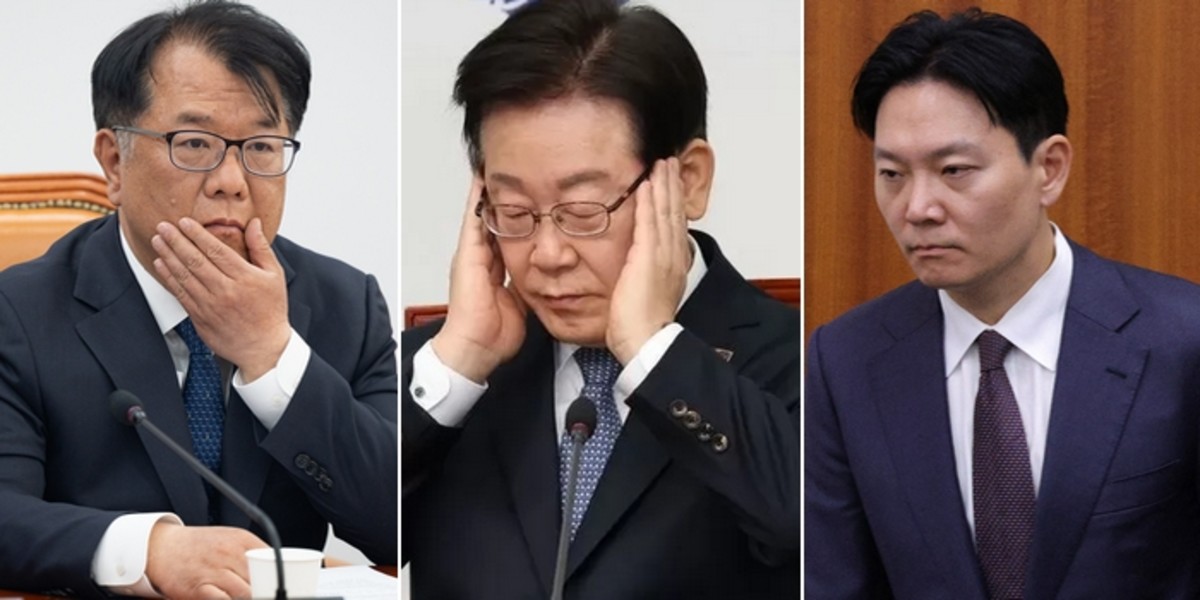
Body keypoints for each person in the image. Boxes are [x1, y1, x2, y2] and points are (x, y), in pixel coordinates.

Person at [400, 0, 799, 597]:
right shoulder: (445, 372)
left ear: (688, 180)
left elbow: (805, 530)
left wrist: (652, 352)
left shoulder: (803, 358)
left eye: (583, 210)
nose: (547, 254)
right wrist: (458, 364)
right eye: (514, 211)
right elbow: (361, 521)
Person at [0, 1, 397, 597]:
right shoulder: (18, 312)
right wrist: (148, 550)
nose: (232, 182)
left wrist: (273, 357)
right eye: (194, 143)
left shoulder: (346, 305)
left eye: (261, 146)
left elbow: (400, 524)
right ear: (114, 162)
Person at [805, 8, 1200, 599]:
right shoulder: (845, 361)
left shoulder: (1183, 341)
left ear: (1049, 169)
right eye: (892, 174)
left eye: (954, 170)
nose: (917, 208)